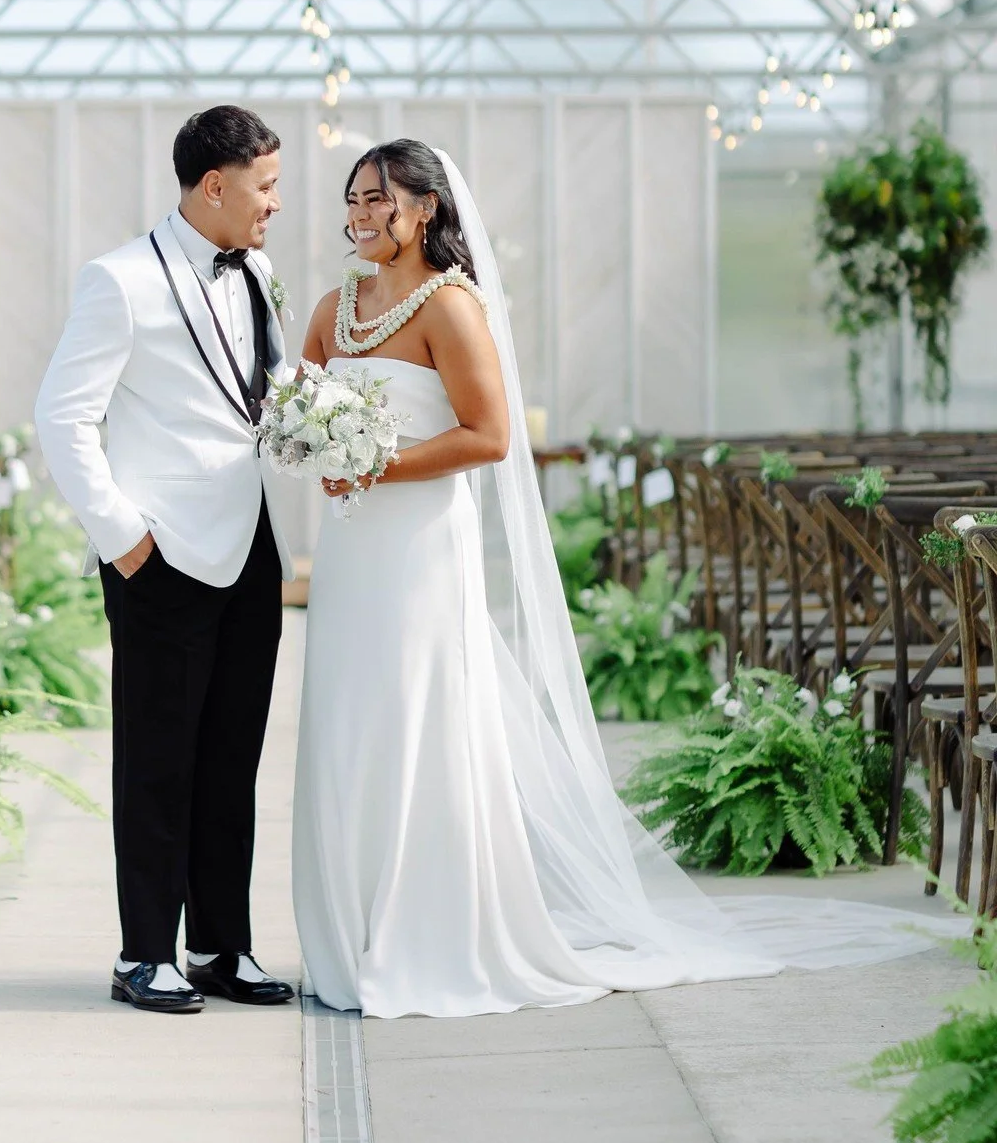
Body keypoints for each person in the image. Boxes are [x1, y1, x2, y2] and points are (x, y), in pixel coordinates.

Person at [292, 139, 941, 1019]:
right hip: (351, 553)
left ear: (426, 210)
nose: (360, 214)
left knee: (414, 722)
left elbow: (489, 436)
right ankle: (346, 935)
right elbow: (304, 399)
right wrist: (307, 438)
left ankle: (424, 928)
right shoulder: (336, 305)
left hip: (416, 555)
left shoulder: (451, 307)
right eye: (353, 199)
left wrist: (381, 466)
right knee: (343, 724)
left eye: (377, 199)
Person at [35, 105, 296, 1015]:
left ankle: (223, 945)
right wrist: (125, 541)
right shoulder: (117, 280)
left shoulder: (258, 270)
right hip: (162, 558)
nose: (275, 204)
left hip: (250, 550)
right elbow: (61, 418)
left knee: (234, 758)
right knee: (156, 762)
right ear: (214, 185)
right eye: (265, 186)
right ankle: (145, 953)